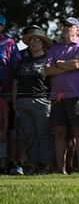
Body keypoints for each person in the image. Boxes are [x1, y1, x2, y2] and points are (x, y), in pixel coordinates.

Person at [45, 17, 79, 174]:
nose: (66, 28)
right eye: (65, 26)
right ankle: (61, 169)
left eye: (70, 26)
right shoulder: (54, 48)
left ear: (77, 30)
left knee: (78, 131)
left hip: (76, 95)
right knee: (59, 132)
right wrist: (67, 65)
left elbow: (77, 64)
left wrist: (58, 63)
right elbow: (47, 70)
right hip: (57, 97)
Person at [12, 27, 54, 174]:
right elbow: (15, 82)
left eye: (37, 40)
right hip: (22, 102)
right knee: (28, 135)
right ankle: (34, 164)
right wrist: (14, 101)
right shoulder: (23, 62)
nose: (34, 43)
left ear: (43, 43)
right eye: (31, 40)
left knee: (43, 134)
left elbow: (53, 81)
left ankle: (47, 164)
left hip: (42, 100)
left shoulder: (49, 60)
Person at [0, 14, 22, 174]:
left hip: (6, 93)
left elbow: (17, 70)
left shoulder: (9, 43)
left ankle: (10, 163)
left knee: (9, 129)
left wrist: (12, 95)